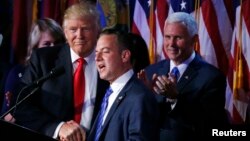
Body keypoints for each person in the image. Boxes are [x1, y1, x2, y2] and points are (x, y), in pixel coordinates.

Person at [13, 2, 109, 141]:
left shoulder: (109, 62)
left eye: (86, 29)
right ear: (65, 33)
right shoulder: (44, 59)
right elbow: (20, 104)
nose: (79, 35)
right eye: (73, 29)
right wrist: (57, 127)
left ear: (97, 31)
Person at [138, 12, 229, 140]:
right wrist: (143, 97)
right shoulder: (151, 71)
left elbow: (210, 125)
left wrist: (175, 99)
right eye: (167, 37)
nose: (171, 44)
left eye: (178, 38)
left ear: (194, 39)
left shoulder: (212, 77)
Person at [87, 28, 160, 141]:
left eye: (105, 51)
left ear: (125, 56)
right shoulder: (109, 93)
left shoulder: (139, 97)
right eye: (96, 52)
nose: (97, 58)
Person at [0, 17, 66, 122]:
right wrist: (18, 107)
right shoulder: (18, 73)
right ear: (35, 47)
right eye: (47, 44)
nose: (53, 48)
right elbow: (5, 118)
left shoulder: (66, 72)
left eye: (57, 43)